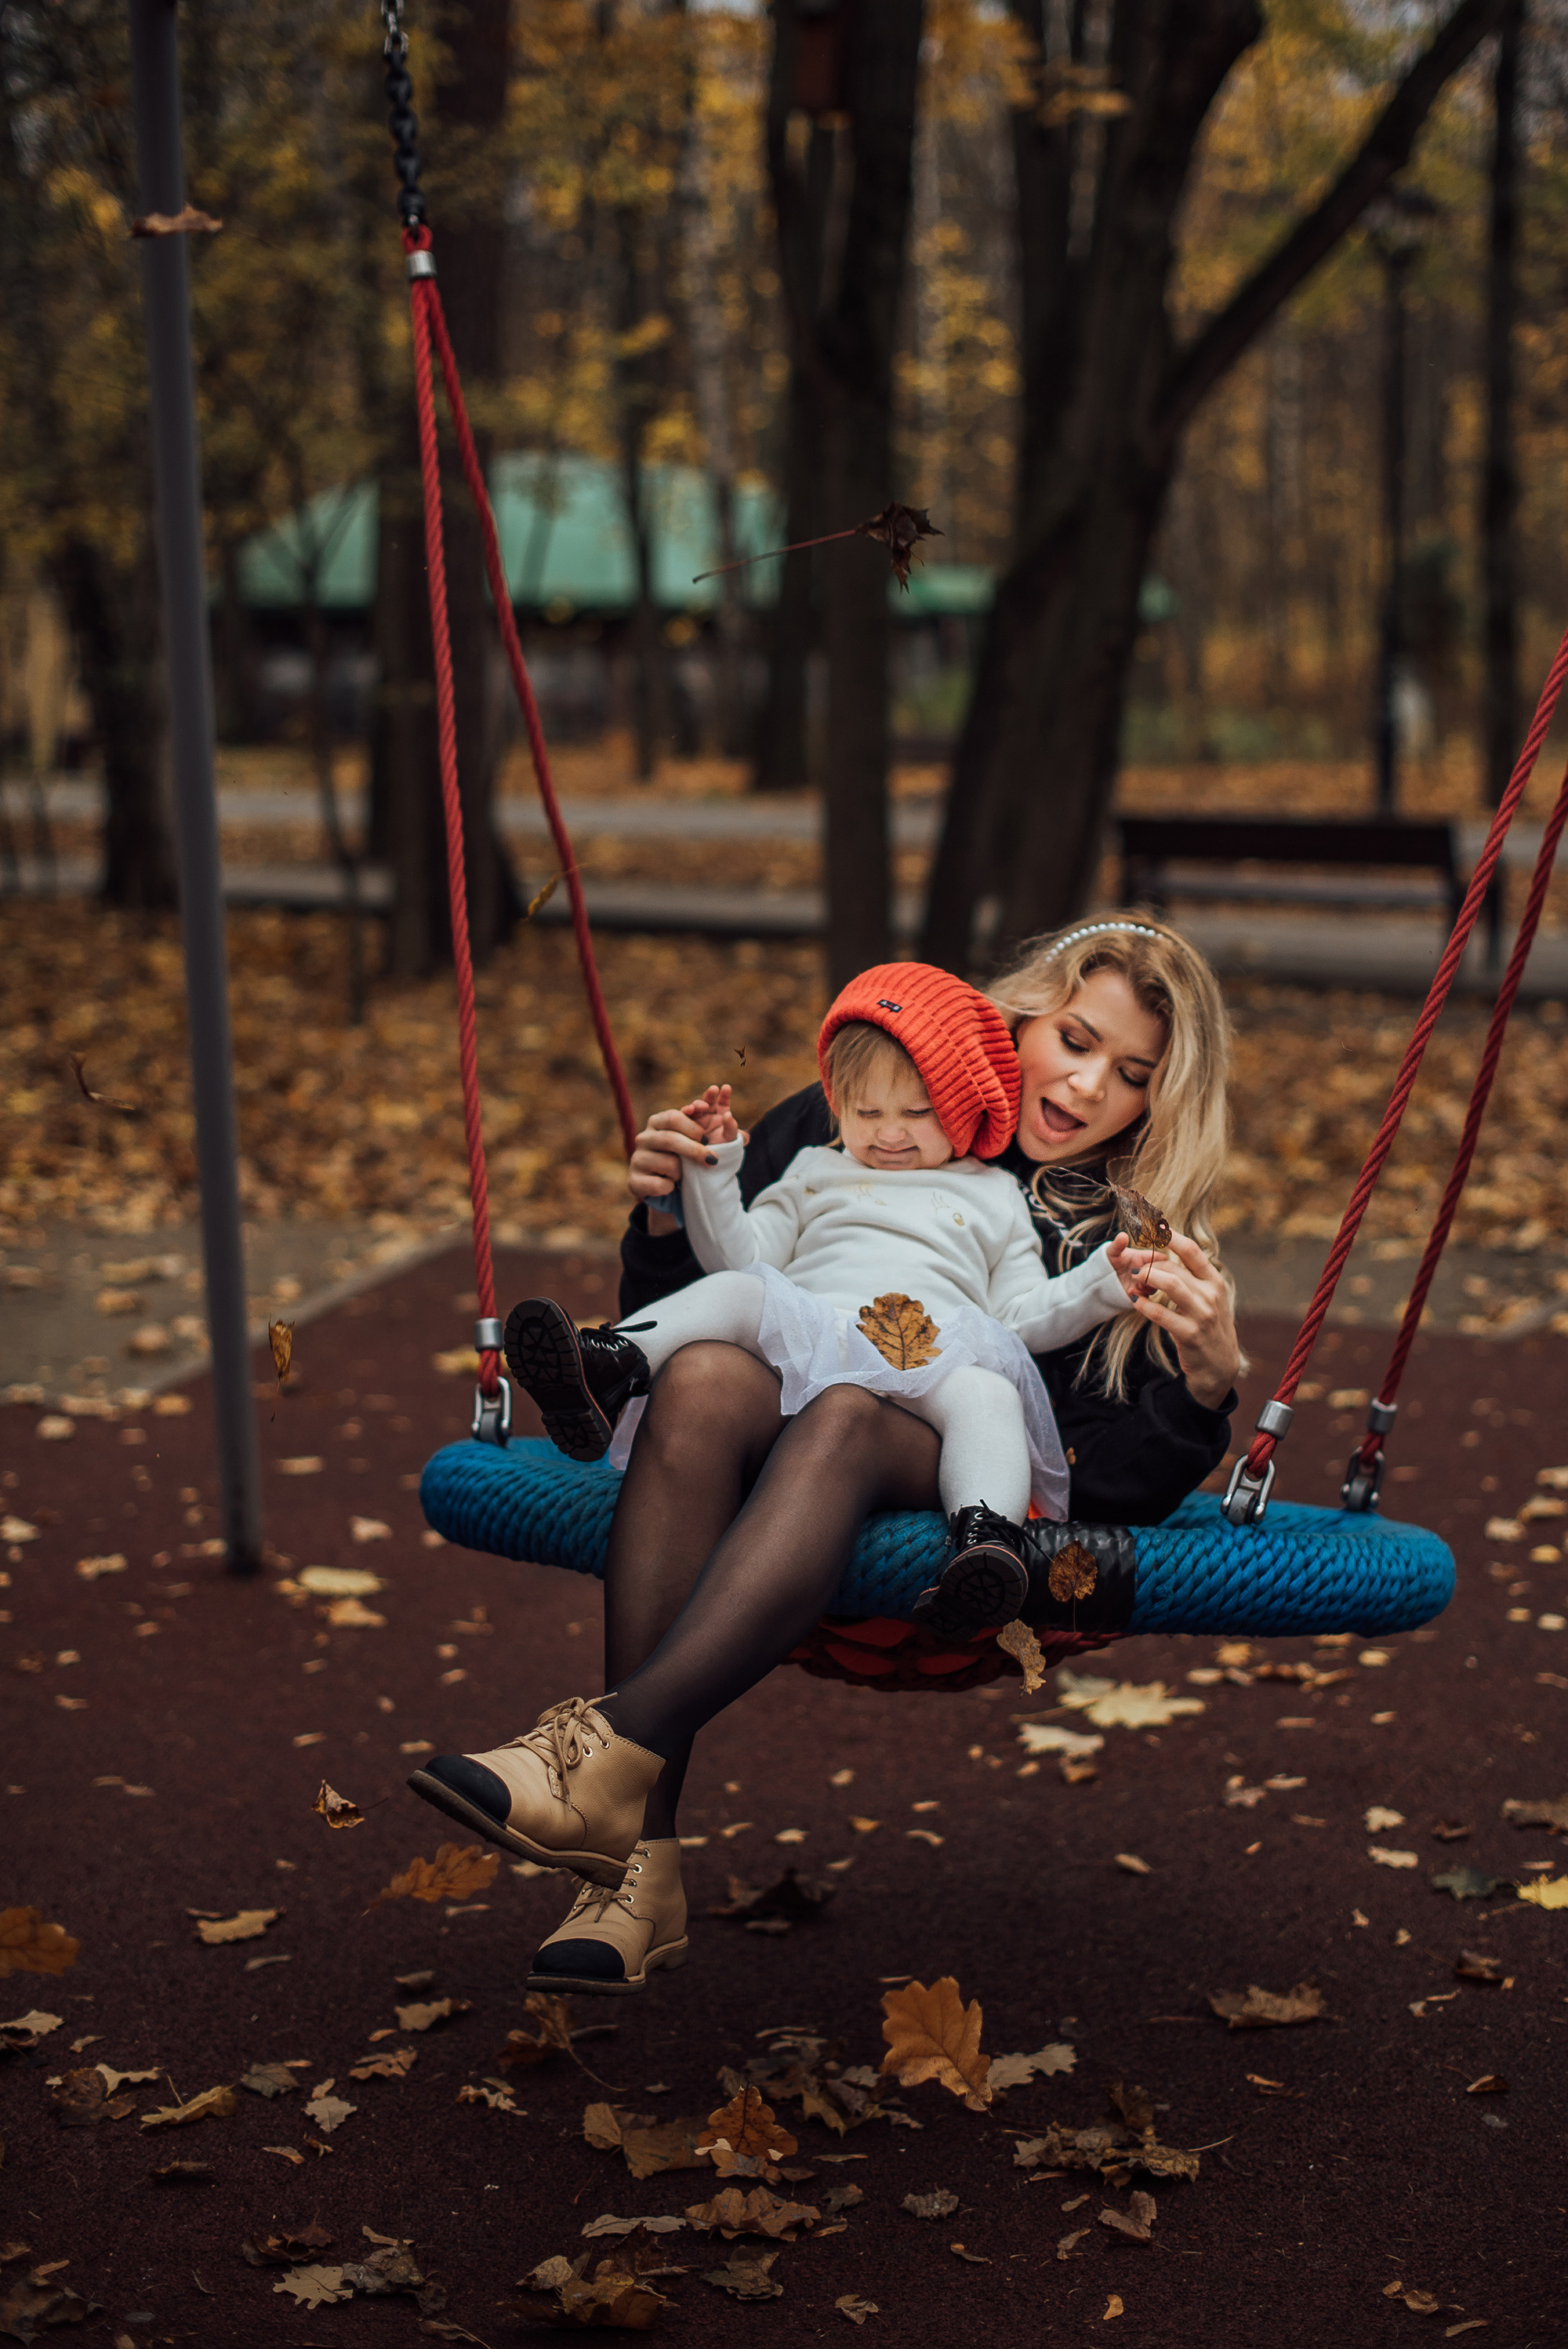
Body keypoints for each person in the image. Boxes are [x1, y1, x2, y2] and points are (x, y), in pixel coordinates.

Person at [408, 916, 1242, 1997]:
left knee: (849, 1406)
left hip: (950, 1461)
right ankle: (635, 1870)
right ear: (1026, 1013)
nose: (1087, 1089)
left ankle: (602, 1756)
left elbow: (1111, 1488)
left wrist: (1208, 1385)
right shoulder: (868, 1094)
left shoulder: (1124, 1232)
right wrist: (669, 1214)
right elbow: (719, 1303)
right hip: (768, 1414)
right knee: (702, 1378)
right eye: (1075, 1040)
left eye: (1132, 1077)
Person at [500, 963, 1147, 1639]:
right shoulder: (817, 1169)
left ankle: (986, 1541)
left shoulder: (993, 1195)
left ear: (962, 1109)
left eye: (917, 1114)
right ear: (840, 1107)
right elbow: (743, 1256)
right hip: (811, 1342)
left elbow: (1020, 1316)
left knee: (992, 1396)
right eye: (867, 1112)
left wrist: (1100, 1283)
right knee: (740, 1289)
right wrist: (717, 1173)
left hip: (929, 1356)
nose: (890, 1134)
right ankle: (611, 1361)